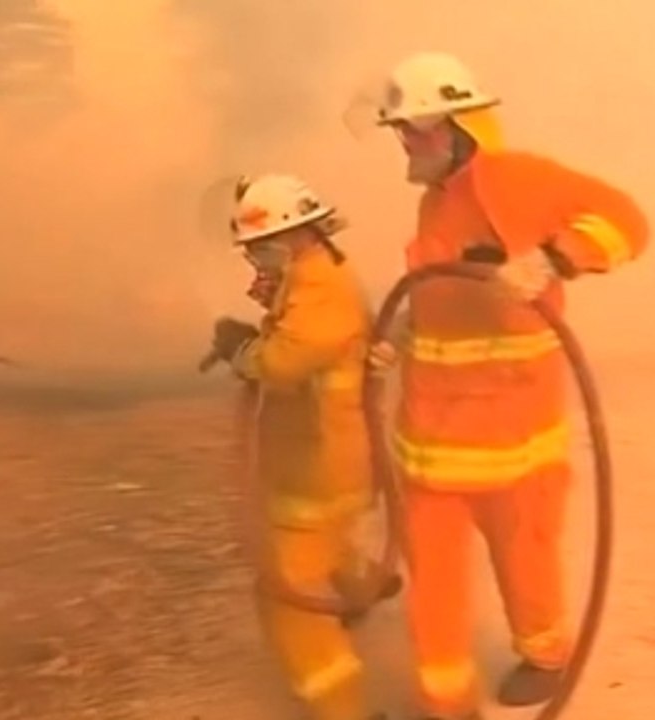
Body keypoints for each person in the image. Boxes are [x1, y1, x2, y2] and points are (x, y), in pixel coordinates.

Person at [362, 52, 651, 719]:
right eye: (401, 129)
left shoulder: (516, 180)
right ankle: (446, 706)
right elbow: (441, 298)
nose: (406, 141)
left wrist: (556, 257)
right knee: (432, 595)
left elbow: (627, 220)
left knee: (528, 568)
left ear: (463, 125)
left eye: (419, 127)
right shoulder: (437, 200)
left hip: (513, 448)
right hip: (431, 453)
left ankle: (545, 655)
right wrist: (400, 333)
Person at [204, 173, 397, 720]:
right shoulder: (314, 277)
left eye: (260, 251)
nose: (255, 263)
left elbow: (288, 359)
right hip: (326, 457)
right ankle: (361, 583)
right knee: (325, 547)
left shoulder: (319, 291)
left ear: (291, 237)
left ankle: (342, 707)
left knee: (284, 597)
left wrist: (244, 348)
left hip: (318, 462)